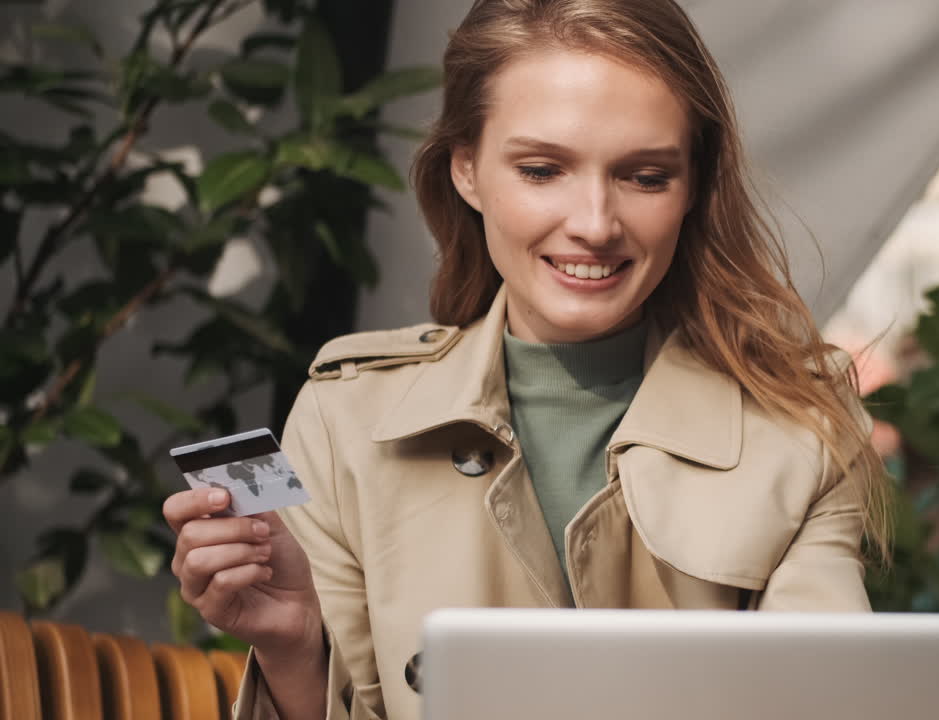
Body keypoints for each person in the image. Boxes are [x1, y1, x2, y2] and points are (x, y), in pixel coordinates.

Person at [163, 1, 892, 718]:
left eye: (645, 176)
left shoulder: (800, 429)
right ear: (468, 171)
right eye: (544, 170)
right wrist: (292, 646)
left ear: (693, 185)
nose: (595, 224)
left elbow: (825, 701)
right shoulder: (345, 418)